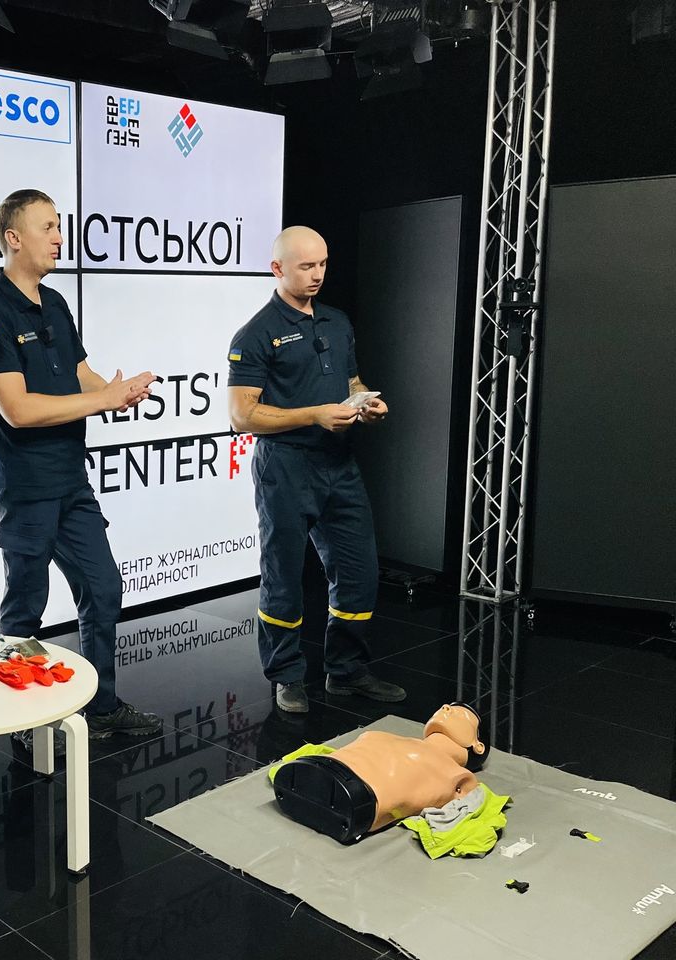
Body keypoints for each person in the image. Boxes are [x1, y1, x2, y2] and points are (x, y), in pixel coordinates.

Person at [0, 189, 163, 749]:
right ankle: (20, 721)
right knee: (24, 608)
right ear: (13, 238)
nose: (58, 237)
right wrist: (102, 400)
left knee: (103, 588)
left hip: (72, 481)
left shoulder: (54, 304)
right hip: (26, 487)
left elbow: (80, 374)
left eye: (58, 226)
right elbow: (18, 409)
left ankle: (101, 707)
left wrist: (118, 393)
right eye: (47, 227)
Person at [227, 226, 405, 714]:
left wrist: (366, 403)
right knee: (283, 575)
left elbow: (351, 380)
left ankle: (346, 671)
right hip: (285, 467)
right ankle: (286, 675)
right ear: (277, 268)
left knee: (358, 571)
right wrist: (314, 415)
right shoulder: (256, 333)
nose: (317, 274)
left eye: (323, 264)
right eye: (306, 266)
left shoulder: (336, 322)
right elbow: (242, 416)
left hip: (338, 464)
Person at [272, 702, 490, 844]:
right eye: (448, 706)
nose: (446, 707)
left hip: (358, 797)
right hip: (322, 769)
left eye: (460, 714)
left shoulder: (457, 776)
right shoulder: (395, 738)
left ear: (478, 745)